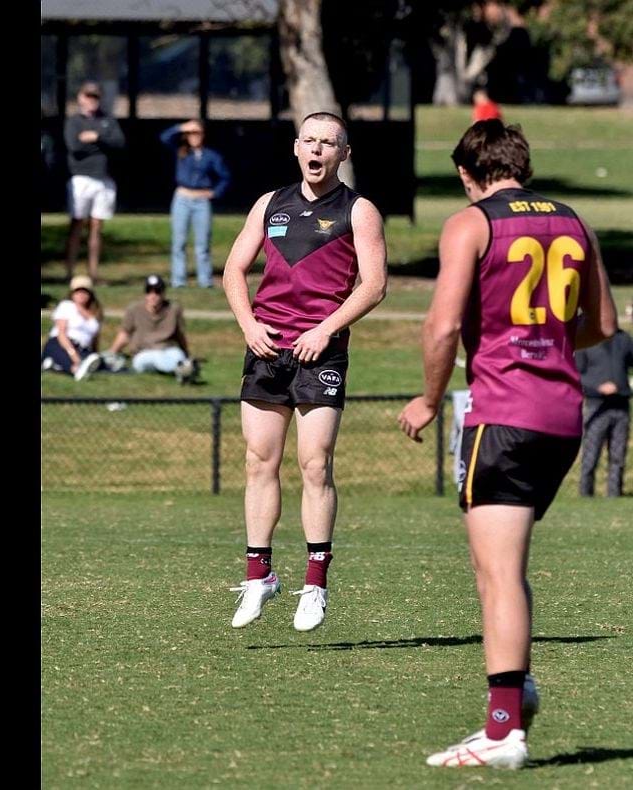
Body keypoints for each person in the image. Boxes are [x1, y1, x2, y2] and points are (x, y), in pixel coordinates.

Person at [398, 120, 617, 769]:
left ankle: (502, 732)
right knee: (496, 564)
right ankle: (515, 690)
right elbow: (603, 323)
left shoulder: (471, 223)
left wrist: (431, 399)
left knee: (498, 572)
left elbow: (441, 326)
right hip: (562, 414)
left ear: (468, 175)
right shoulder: (573, 219)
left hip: (505, 413)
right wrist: (545, 343)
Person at [220, 112, 388, 633]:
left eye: (328, 143)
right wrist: (248, 324)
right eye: (310, 141)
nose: (317, 150)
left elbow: (374, 284)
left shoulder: (359, 211)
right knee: (258, 460)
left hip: (322, 352)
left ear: (344, 153)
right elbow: (233, 270)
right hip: (267, 348)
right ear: (297, 148)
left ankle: (314, 583)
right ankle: (259, 576)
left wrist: (325, 330)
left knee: (314, 463)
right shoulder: (269, 204)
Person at [64, 80, 125, 283]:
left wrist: (96, 138)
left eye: (95, 97)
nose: (92, 101)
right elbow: (75, 147)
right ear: (81, 98)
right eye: (88, 96)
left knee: (97, 226)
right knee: (77, 224)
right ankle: (70, 272)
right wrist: (101, 143)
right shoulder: (73, 122)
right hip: (81, 178)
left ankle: (93, 273)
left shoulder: (107, 120)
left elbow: (118, 143)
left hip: (103, 178)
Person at [159, 119, 230, 288]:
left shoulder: (211, 156)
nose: (194, 137)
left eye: (197, 133)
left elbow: (225, 176)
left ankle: (204, 280)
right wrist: (181, 126)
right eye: (191, 133)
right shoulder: (181, 151)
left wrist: (215, 192)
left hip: (201, 200)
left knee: (202, 242)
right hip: (182, 198)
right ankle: (178, 280)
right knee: (179, 241)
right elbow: (164, 137)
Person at [103, 274, 200, 384]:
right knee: (156, 357)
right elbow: (124, 334)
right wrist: (112, 352)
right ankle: (182, 369)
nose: (153, 295)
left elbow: (180, 335)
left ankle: (182, 367)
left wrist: (186, 353)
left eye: (157, 291)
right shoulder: (134, 310)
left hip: (168, 349)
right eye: (149, 291)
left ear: (163, 293)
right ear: (145, 294)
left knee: (177, 355)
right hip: (143, 352)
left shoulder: (174, 309)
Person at [574, 324, 633, 496]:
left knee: (618, 456)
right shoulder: (586, 340)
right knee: (591, 455)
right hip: (596, 406)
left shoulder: (624, 339)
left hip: (621, 405)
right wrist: (597, 387)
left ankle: (614, 494)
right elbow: (577, 374)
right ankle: (586, 494)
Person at [41, 275, 103, 381]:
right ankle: (76, 371)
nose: (81, 294)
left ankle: (55, 366)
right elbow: (61, 333)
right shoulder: (66, 306)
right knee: (67, 357)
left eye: (85, 291)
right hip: (61, 343)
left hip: (83, 347)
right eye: (78, 291)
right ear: (72, 292)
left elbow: (95, 339)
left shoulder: (94, 314)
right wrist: (74, 355)